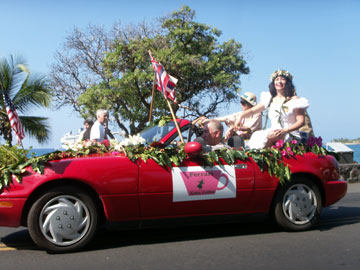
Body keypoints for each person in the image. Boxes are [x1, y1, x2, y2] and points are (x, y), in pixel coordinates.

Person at [226, 69, 309, 149]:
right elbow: (252, 111)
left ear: (288, 82)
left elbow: (301, 122)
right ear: (273, 82)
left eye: (283, 79)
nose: (279, 82)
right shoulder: (269, 99)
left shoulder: (294, 100)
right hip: (273, 131)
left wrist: (284, 131)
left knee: (271, 137)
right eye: (277, 79)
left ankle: (262, 158)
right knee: (257, 135)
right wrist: (240, 117)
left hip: (289, 133)